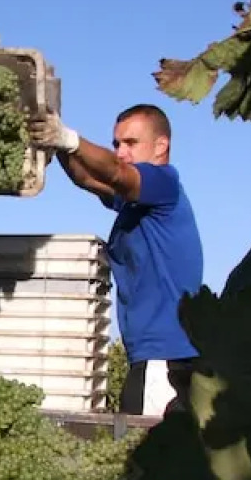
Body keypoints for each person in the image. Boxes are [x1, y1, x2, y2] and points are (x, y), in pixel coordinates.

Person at [28, 105, 203, 418]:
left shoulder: (163, 182)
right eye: (116, 144)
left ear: (161, 146)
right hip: (155, 355)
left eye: (131, 143)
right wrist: (58, 145)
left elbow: (117, 173)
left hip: (164, 357)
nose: (121, 152)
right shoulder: (137, 203)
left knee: (144, 457)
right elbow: (90, 180)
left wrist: (70, 139)